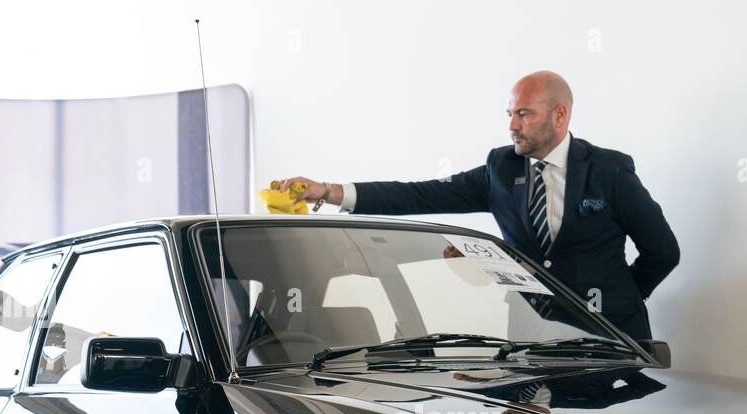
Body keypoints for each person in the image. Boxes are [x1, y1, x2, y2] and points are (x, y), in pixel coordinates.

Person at [273, 70, 679, 342]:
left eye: (523, 113)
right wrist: (328, 191)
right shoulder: (500, 168)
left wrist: (619, 298)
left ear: (559, 115)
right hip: (531, 342)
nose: (512, 125)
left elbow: (663, 251)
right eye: (510, 114)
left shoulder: (609, 170)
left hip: (613, 340)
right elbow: (419, 195)